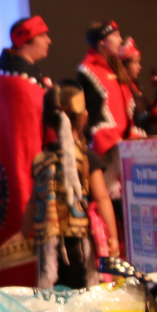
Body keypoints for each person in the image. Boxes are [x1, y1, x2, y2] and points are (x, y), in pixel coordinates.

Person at [25, 83, 118, 289]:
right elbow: (102, 198)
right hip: (79, 242)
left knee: (53, 297)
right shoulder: (87, 157)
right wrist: (113, 236)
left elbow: (33, 202)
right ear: (83, 117)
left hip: (48, 247)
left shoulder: (41, 160)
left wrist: (23, 234)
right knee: (81, 294)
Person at [0, 16, 51, 236]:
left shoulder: (28, 78)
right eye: (42, 36)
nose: (49, 41)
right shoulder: (17, 84)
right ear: (26, 41)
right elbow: (25, 142)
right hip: (26, 167)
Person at [77, 21, 136, 156]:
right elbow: (92, 115)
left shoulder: (116, 70)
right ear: (102, 41)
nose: (120, 40)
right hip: (103, 150)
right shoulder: (88, 71)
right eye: (115, 35)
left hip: (124, 146)